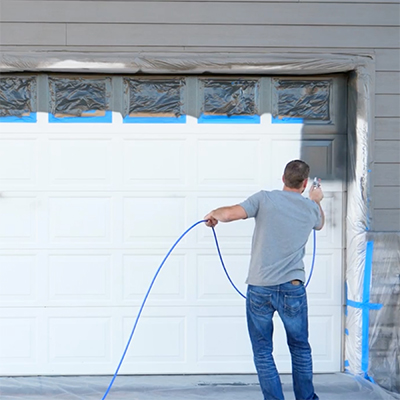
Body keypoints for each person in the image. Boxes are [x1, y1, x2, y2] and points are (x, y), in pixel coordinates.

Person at [204, 159, 324, 400]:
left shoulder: (264, 199)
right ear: (304, 183)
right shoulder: (310, 208)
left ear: (282, 179)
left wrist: (214, 214)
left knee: (262, 352)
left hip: (260, 289)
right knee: (300, 348)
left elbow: (229, 214)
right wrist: (317, 200)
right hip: (292, 289)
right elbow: (319, 224)